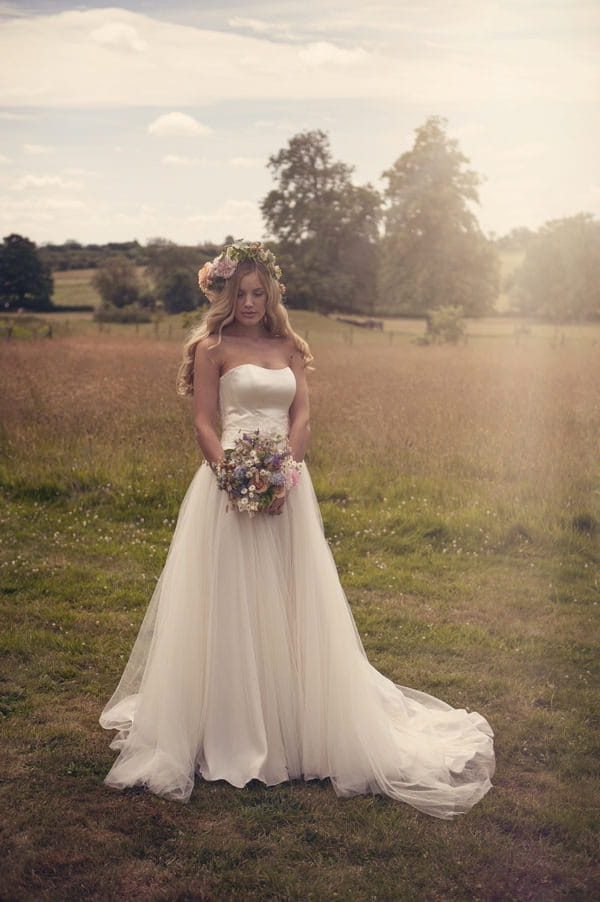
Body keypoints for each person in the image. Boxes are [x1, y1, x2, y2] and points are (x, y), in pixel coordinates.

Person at [100, 241, 495, 819]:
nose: (252, 302)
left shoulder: (290, 347)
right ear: (226, 294)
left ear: (273, 294)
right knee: (230, 599)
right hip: (226, 487)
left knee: (292, 597)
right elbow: (205, 422)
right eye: (242, 293)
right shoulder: (211, 348)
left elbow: (301, 415)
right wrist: (232, 478)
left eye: (261, 293)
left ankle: (298, 720)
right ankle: (230, 724)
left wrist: (286, 474)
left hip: (287, 483)